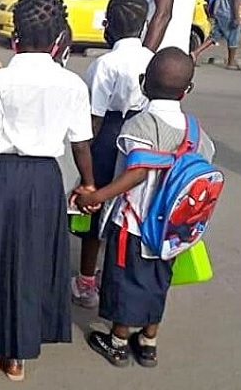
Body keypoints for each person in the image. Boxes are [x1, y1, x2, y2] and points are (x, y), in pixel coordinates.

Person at [0, 0, 96, 382]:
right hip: (45, 181)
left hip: (3, 177)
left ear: (14, 37)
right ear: (59, 41)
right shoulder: (72, 84)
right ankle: (17, 357)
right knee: (33, 263)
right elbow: (81, 145)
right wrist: (88, 184)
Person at [73, 48, 214, 368]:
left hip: (135, 224)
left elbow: (136, 173)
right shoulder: (197, 132)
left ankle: (118, 341)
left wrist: (96, 196)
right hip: (173, 228)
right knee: (159, 280)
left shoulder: (140, 125)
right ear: (187, 89)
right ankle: (148, 341)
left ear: (143, 84)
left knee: (125, 281)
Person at [71, 0, 153, 309]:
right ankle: (115, 278)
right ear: (143, 25)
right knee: (128, 210)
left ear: (108, 25)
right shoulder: (152, 58)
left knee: (95, 212)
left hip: (109, 137)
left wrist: (82, 160)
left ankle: (86, 282)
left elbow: (95, 118)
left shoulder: (104, 64)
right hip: (143, 139)